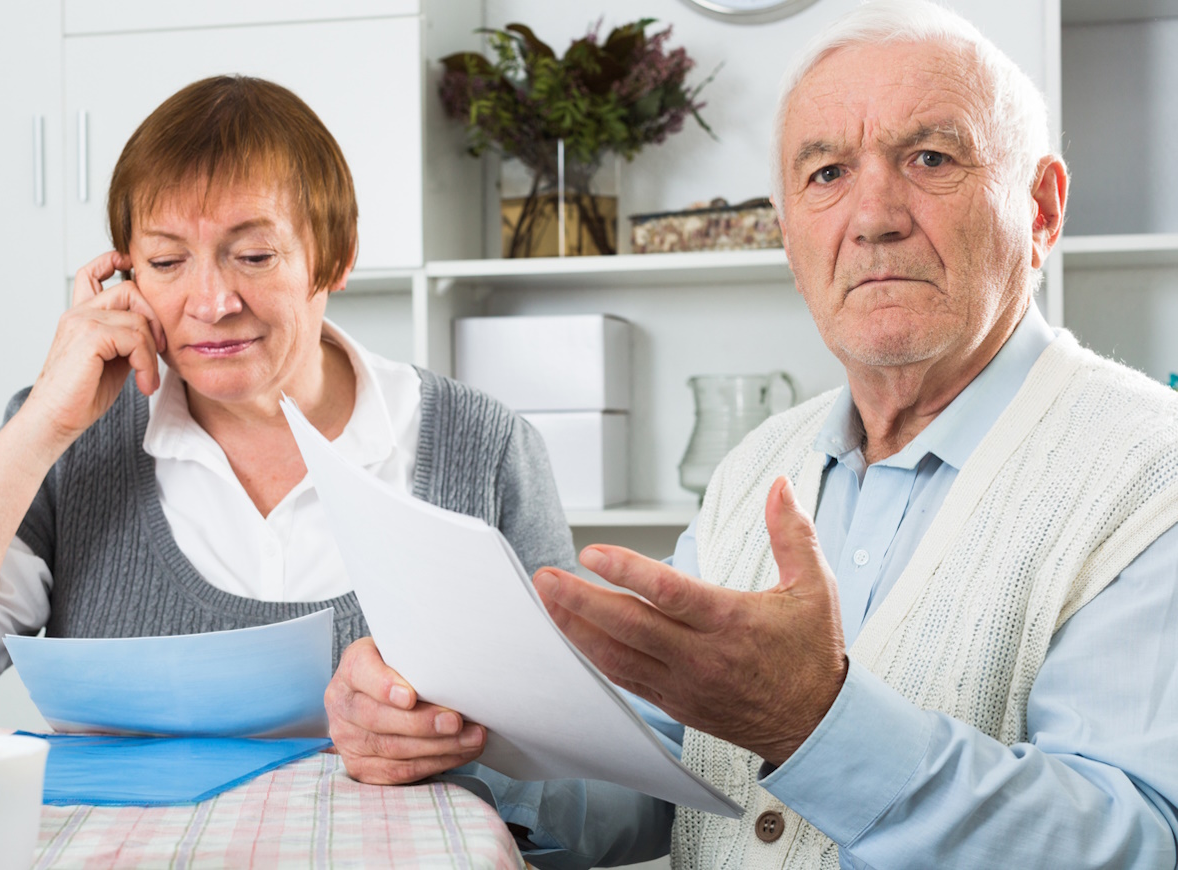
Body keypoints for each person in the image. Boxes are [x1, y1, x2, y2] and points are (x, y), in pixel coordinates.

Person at [326, 2, 1178, 868]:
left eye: (930, 158)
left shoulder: (1150, 474)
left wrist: (809, 723)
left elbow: (1137, 842)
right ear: (786, 233)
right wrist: (455, 739)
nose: (873, 214)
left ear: (1040, 209)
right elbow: (663, 769)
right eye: (826, 174)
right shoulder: (756, 468)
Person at [0, 76, 577, 729]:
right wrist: (43, 424)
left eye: (253, 256)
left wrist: (462, 750)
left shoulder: (483, 446)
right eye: (167, 261)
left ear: (334, 257)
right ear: (124, 279)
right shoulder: (67, 442)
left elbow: (585, 781)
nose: (211, 302)